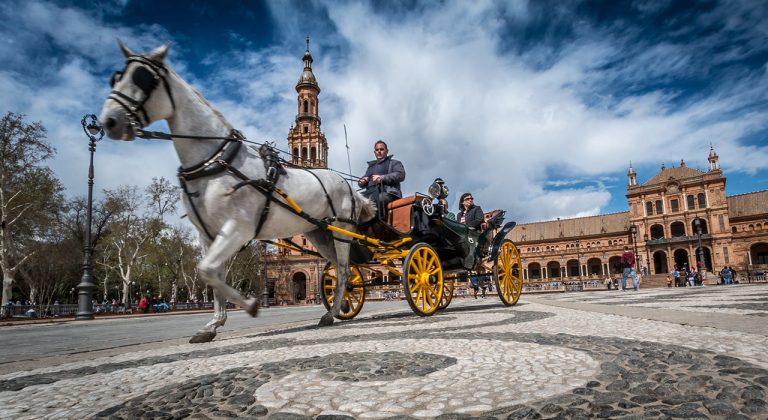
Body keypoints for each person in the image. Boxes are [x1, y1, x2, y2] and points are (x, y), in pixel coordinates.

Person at [358, 140, 406, 215]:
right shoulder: (371, 167)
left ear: (387, 151)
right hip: (370, 194)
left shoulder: (394, 163)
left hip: (389, 193)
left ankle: (375, 224)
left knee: (376, 200)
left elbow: (401, 175)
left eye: (381, 149)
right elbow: (362, 181)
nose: (379, 151)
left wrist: (382, 178)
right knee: (354, 201)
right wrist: (361, 182)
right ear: (374, 152)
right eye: (377, 150)